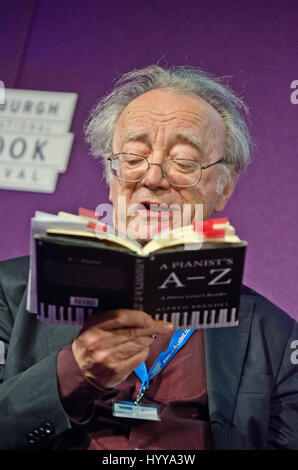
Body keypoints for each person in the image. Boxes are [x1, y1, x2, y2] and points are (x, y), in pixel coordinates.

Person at [0, 65, 297, 450]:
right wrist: (74, 372)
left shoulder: (276, 338)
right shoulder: (10, 293)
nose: (153, 178)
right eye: (134, 157)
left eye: (184, 162)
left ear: (224, 186)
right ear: (111, 174)